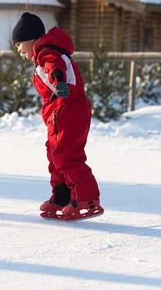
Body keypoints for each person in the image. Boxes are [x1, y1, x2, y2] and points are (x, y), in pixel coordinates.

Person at [11, 12, 104, 221]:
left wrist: (58, 79)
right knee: (53, 153)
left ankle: (85, 198)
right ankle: (62, 196)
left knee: (66, 154)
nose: (18, 50)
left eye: (19, 44)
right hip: (58, 113)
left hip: (69, 109)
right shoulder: (42, 55)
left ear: (32, 39)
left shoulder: (47, 51)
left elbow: (55, 66)